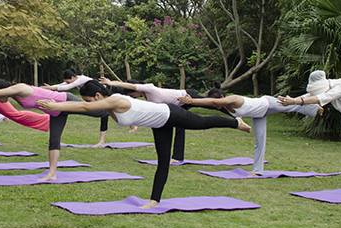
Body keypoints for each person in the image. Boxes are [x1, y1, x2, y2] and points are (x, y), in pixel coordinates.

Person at [38, 80, 251, 207]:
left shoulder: (114, 100)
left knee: (203, 123)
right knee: (163, 162)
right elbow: (123, 113)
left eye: (88, 99)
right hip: (160, 124)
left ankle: (235, 122)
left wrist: (56, 103)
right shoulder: (110, 105)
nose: (87, 103)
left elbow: (84, 109)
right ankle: (155, 200)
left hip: (171, 114)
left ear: (97, 95)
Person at [0, 79, 109, 181]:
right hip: (54, 111)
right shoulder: (14, 94)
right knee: (54, 140)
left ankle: (124, 106)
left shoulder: (19, 88)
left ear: (5, 90)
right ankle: (52, 174)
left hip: (64, 101)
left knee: (100, 112)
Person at [179, 84, 323, 175]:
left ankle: (315, 106)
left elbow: (214, 102)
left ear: (223, 97)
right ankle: (257, 171)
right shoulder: (225, 107)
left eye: (219, 102)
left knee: (290, 105)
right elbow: (215, 104)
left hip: (267, 103)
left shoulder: (233, 99)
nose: (217, 106)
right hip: (259, 115)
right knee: (260, 140)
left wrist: (191, 101)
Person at [98, 77, 210, 164]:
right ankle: (177, 157)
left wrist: (111, 83)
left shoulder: (148, 88)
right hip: (178, 107)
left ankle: (227, 105)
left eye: (133, 94)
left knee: (213, 104)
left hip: (186, 96)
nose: (134, 97)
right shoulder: (146, 96)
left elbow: (130, 85)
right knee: (180, 129)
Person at [42, 69, 109, 145]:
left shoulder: (81, 79)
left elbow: (67, 87)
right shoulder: (74, 79)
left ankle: (101, 141)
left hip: (99, 96)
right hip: (92, 99)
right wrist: (49, 87)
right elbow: (62, 85)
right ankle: (101, 142)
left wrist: (50, 88)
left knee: (104, 115)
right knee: (104, 115)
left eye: (68, 81)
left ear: (73, 78)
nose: (67, 83)